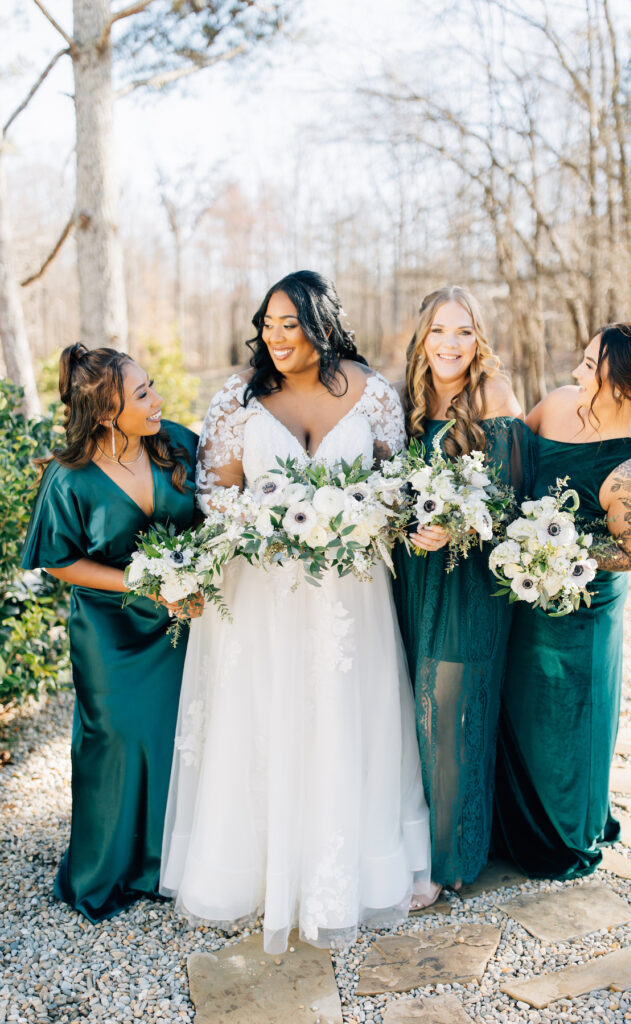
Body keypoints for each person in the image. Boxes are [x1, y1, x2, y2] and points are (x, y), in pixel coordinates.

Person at [161, 270, 433, 953]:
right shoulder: (239, 395)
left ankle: (342, 877)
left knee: (346, 716)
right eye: (269, 325)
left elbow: (393, 485)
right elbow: (211, 491)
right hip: (263, 589)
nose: (277, 338)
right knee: (267, 716)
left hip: (348, 593)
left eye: (291, 325)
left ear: (323, 325)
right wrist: (270, 519)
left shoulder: (372, 394)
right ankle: (257, 871)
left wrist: (353, 515)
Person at [21, 344, 201, 920]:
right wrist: (141, 584)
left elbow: (218, 513)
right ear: (104, 413)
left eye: (151, 386)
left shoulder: (177, 442)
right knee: (116, 738)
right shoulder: (68, 477)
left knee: (177, 734)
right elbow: (57, 560)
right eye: (143, 394)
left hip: (184, 619)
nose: (158, 400)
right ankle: (106, 869)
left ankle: (166, 864)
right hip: (110, 629)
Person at [493, 322, 631, 878]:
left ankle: (566, 832)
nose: (577, 370)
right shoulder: (557, 405)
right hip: (524, 595)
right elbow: (510, 455)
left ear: (619, 383)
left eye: (590, 363)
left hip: (583, 611)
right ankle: (511, 821)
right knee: (520, 707)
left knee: (571, 718)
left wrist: (558, 551)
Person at [392, 285, 535, 895]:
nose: (450, 344)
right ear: (422, 337)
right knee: (411, 710)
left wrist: (459, 524)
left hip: (470, 580)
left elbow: (514, 499)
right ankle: (413, 851)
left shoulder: (494, 396)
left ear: (479, 340)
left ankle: (451, 862)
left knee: (450, 713)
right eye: (439, 331)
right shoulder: (408, 402)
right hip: (414, 576)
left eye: (464, 332)